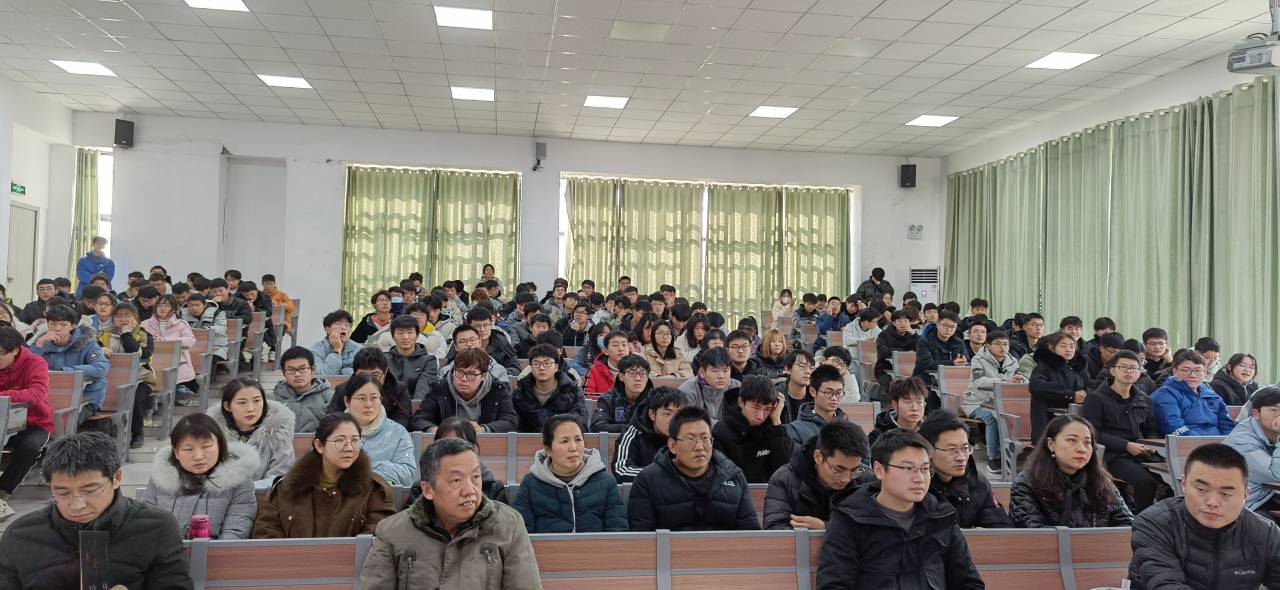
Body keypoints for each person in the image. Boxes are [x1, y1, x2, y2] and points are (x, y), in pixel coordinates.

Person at [0, 432, 192, 587]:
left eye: (90, 490)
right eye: (63, 492)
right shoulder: (20, 535)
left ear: (116, 478)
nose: (77, 505)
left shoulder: (157, 527)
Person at [358, 437, 543, 589]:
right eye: (456, 480)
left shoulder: (509, 524)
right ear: (428, 490)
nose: (470, 490)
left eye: (475, 477)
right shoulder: (392, 532)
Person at [816, 429, 984, 589]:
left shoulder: (942, 516)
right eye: (908, 468)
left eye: (925, 469)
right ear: (879, 470)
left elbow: (969, 582)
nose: (919, 479)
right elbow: (833, 584)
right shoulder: (849, 519)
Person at [1129, 443, 1280, 589]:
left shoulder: (1265, 532)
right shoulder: (1154, 524)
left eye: (1226, 494)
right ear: (1184, 484)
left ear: (1245, 494)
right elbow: (1165, 584)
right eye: (1201, 489)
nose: (1212, 502)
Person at [253, 413, 396, 538]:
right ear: (319, 446)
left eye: (355, 440)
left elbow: (379, 535)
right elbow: (266, 533)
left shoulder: (373, 489)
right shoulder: (286, 489)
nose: (349, 448)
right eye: (340, 440)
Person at [627, 406, 760, 531]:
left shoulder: (733, 476)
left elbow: (751, 535)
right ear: (672, 445)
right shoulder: (648, 480)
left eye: (705, 438)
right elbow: (643, 539)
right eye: (690, 439)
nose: (699, 447)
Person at [139, 413, 258, 539]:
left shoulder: (238, 482)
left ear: (220, 446)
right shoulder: (160, 480)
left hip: (215, 550)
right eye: (188, 449)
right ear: (176, 452)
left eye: (206, 446)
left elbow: (235, 533)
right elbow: (145, 527)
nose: (198, 456)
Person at [1009, 415, 1133, 528]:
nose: (1082, 449)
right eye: (1072, 440)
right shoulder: (1027, 483)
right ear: (1051, 444)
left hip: (1100, 545)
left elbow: (1128, 525)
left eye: (1087, 442)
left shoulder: (1102, 482)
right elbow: (1034, 532)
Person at [1079, 350, 1162, 511]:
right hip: (1111, 454)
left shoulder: (1144, 399)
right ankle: (1141, 519)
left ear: (1140, 372)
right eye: (1123, 367)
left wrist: (1150, 445)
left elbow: (1151, 429)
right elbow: (1093, 433)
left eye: (1133, 368)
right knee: (1146, 482)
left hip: (1141, 453)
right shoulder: (1096, 398)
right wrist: (1126, 445)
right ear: (1112, 370)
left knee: (1172, 478)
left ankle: (1155, 515)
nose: (1128, 371)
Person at [513, 415, 627, 532]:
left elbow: (617, 530)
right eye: (564, 441)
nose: (573, 448)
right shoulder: (531, 483)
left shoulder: (605, 482)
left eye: (578, 440)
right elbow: (521, 533)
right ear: (548, 450)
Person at [766, 421, 873, 530]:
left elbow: (874, 529)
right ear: (818, 457)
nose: (846, 479)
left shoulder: (868, 480)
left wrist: (826, 527)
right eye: (839, 470)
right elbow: (775, 529)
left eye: (854, 470)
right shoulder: (785, 479)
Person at [918, 411, 1011, 528]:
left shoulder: (976, 481)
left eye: (965, 448)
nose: (961, 457)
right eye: (952, 450)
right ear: (928, 450)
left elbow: (1000, 527)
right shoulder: (915, 485)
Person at [0, 326, 51, 520]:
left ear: (15, 350)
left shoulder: (35, 363)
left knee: (29, 448)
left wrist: (3, 397)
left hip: (33, 422)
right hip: (1, 422)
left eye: (0, 353)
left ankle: (3, 491)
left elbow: (37, 394)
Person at [209, 378, 295, 486]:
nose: (250, 409)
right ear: (227, 406)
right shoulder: (211, 435)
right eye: (242, 402)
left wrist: (246, 492)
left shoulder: (279, 433)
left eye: (257, 401)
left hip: (265, 494)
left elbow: (279, 477)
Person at [411, 348, 518, 433]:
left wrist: (483, 429)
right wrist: (436, 430)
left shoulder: (497, 390)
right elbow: (419, 419)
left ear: (483, 376)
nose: (464, 379)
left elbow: (510, 421)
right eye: (459, 372)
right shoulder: (439, 388)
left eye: (471, 374)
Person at [30, 304, 109, 419]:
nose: (57, 328)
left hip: (84, 399)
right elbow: (27, 369)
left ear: (73, 326)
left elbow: (101, 368)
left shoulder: (87, 343)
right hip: (51, 399)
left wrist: (65, 372)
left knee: (64, 420)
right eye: (53, 324)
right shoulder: (41, 344)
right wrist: (39, 345)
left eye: (63, 324)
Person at [341, 373, 418, 487]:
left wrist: (366, 474)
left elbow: (407, 474)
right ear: (347, 401)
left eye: (374, 398)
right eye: (361, 398)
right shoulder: (335, 431)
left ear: (381, 399)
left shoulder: (398, 432)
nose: (368, 404)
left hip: (384, 495)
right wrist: (384, 466)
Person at [712, 375, 792, 483]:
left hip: (772, 490)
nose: (760, 416)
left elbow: (786, 469)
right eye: (756, 408)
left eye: (767, 409)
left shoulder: (774, 429)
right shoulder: (721, 432)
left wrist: (777, 422)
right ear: (741, 402)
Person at [963, 329, 1023, 474]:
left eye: (1005, 344)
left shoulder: (1012, 361)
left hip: (1000, 403)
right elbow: (979, 382)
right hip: (976, 402)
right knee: (992, 417)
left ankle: (1010, 455)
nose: (1003, 347)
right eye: (998, 344)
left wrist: (1021, 380)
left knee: (1015, 416)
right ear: (988, 346)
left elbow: (1017, 379)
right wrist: (1005, 381)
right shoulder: (978, 359)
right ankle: (993, 458)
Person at [1224, 387, 1280, 517]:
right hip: (1247, 504)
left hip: (1268, 495)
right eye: (1274, 410)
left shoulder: (1272, 433)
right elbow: (1276, 475)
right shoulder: (1241, 441)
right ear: (1256, 413)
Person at [1152, 349, 1235, 436]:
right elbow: (1173, 427)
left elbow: (1226, 425)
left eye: (1198, 370)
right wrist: (1204, 442)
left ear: (1205, 373)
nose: (1193, 375)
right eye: (1186, 370)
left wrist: (1227, 441)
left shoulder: (1211, 395)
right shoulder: (1164, 395)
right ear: (1175, 371)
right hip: (1187, 442)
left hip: (1218, 443)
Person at [613, 386, 685, 483]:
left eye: (678, 414)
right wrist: (663, 474)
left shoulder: (687, 434)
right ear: (652, 415)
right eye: (667, 414)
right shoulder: (634, 433)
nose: (674, 420)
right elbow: (621, 470)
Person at [1028, 331, 1089, 442]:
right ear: (1052, 348)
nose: (1068, 349)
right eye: (1063, 346)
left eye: (1071, 346)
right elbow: (1036, 385)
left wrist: (1085, 393)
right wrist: (1070, 395)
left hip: (1075, 418)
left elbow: (1089, 385)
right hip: (1049, 421)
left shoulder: (1077, 367)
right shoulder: (1044, 366)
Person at [511, 344, 586, 432]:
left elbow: (580, 421)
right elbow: (513, 423)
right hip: (528, 439)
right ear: (530, 367)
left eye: (547, 363)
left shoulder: (572, 391)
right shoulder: (520, 393)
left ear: (556, 367)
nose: (541, 368)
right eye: (536, 364)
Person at [141, 294, 199, 402]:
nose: (163, 308)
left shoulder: (181, 324)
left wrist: (164, 340)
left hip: (176, 361)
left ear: (174, 309)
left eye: (167, 306)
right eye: (160, 305)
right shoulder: (145, 324)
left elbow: (190, 341)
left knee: (169, 374)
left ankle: (176, 392)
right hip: (152, 360)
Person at [433, 417, 506, 501]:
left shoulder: (494, 489)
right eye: (446, 448)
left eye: (460, 447)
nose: (454, 454)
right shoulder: (424, 488)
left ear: (475, 450)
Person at [270, 346, 334, 433]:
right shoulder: (272, 399)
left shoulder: (328, 396)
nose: (297, 374)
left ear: (313, 369)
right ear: (283, 372)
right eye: (291, 369)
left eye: (303, 369)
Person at [785, 364, 849, 446]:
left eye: (838, 393)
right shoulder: (795, 429)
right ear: (813, 391)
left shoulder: (849, 428)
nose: (834, 398)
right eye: (828, 392)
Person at [589, 354, 653, 433]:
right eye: (632, 373)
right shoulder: (608, 399)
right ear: (621, 376)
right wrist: (632, 428)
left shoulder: (654, 399)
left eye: (642, 374)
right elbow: (596, 426)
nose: (638, 378)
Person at [381, 315, 438, 400]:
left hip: (417, 405)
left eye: (410, 332)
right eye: (400, 333)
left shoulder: (429, 360)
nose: (405, 337)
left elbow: (423, 386)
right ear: (393, 336)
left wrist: (416, 405)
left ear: (417, 335)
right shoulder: (383, 359)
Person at [679, 347, 740, 423]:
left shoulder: (736, 387)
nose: (721, 376)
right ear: (702, 372)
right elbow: (688, 420)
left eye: (725, 371)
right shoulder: (688, 389)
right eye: (715, 371)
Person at [914, 310, 968, 394]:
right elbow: (927, 364)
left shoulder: (959, 342)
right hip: (926, 381)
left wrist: (964, 361)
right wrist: (952, 363)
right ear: (937, 324)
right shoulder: (924, 341)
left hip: (951, 381)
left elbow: (966, 361)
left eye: (953, 327)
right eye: (945, 325)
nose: (949, 329)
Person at [869, 377, 927, 445]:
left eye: (919, 402)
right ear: (895, 405)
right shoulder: (879, 435)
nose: (915, 408)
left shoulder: (931, 432)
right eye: (908, 402)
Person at [874, 309, 918, 389]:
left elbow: (922, 349)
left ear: (910, 323)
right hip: (886, 369)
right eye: (900, 321)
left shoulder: (912, 335)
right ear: (894, 323)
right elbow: (883, 351)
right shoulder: (884, 335)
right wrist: (904, 352)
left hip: (909, 369)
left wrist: (914, 334)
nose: (903, 324)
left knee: (920, 383)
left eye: (906, 321)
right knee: (895, 386)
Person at [309, 310, 363, 376]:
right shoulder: (315, 351)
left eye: (347, 325)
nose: (343, 328)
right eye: (338, 324)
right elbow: (323, 376)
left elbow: (365, 375)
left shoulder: (360, 350)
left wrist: (345, 371)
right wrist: (337, 351)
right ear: (327, 330)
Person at [181, 293, 228, 363]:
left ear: (204, 305)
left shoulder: (217, 312)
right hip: (190, 347)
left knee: (207, 360)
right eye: (191, 305)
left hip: (215, 347)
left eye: (197, 305)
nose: (194, 308)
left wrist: (205, 330)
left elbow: (222, 329)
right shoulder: (181, 314)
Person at [585, 331, 630, 397]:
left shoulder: (637, 368)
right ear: (606, 351)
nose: (621, 349)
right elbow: (587, 396)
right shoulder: (593, 370)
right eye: (615, 345)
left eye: (624, 345)